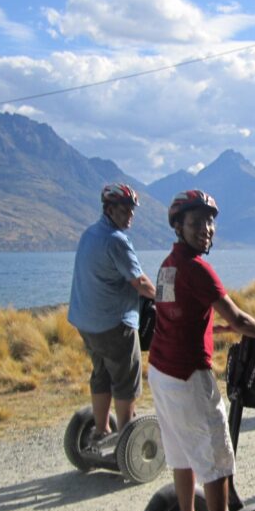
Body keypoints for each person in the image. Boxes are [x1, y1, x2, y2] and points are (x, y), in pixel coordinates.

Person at [148, 190, 255, 511]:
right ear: (178, 226)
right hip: (187, 375)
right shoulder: (197, 268)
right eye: (196, 223)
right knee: (217, 458)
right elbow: (236, 317)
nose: (206, 229)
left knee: (180, 452)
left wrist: (253, 328)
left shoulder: (167, 266)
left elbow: (186, 319)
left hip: (161, 373)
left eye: (210, 222)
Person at [67, 183, 156, 441]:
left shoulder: (89, 234)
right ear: (109, 209)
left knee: (101, 373)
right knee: (126, 379)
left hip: (86, 321)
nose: (130, 215)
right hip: (115, 322)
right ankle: (126, 437)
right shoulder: (116, 240)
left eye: (132, 210)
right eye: (125, 209)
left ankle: (101, 428)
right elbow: (139, 282)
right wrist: (166, 297)